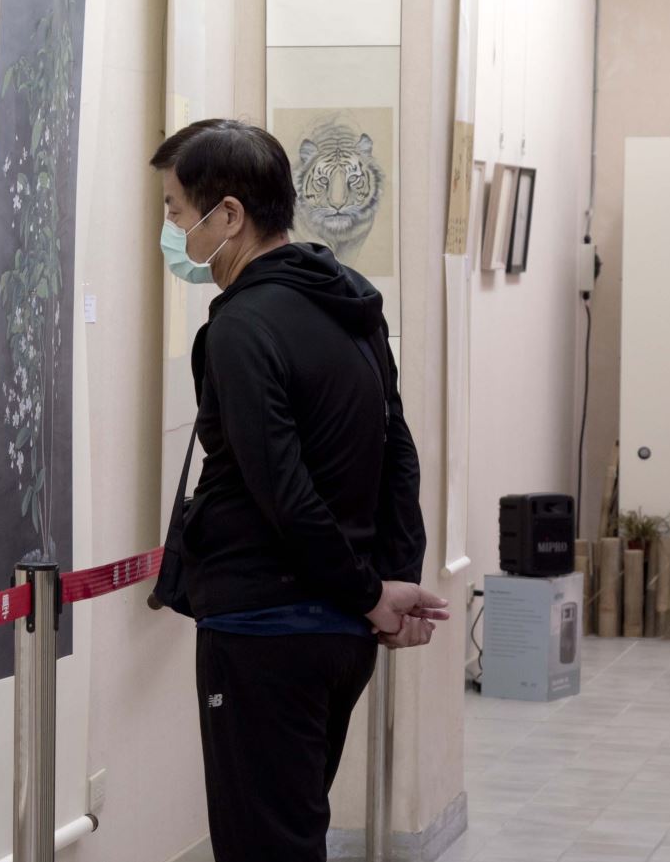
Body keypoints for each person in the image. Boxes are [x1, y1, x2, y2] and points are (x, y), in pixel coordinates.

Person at [149, 118, 447, 862]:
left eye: (176, 211)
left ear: (229, 215)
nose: (172, 231)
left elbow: (283, 492)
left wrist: (373, 594)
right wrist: (390, 582)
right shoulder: (351, 306)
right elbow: (397, 453)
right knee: (292, 835)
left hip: (264, 631)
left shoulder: (241, 328)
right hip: (338, 636)